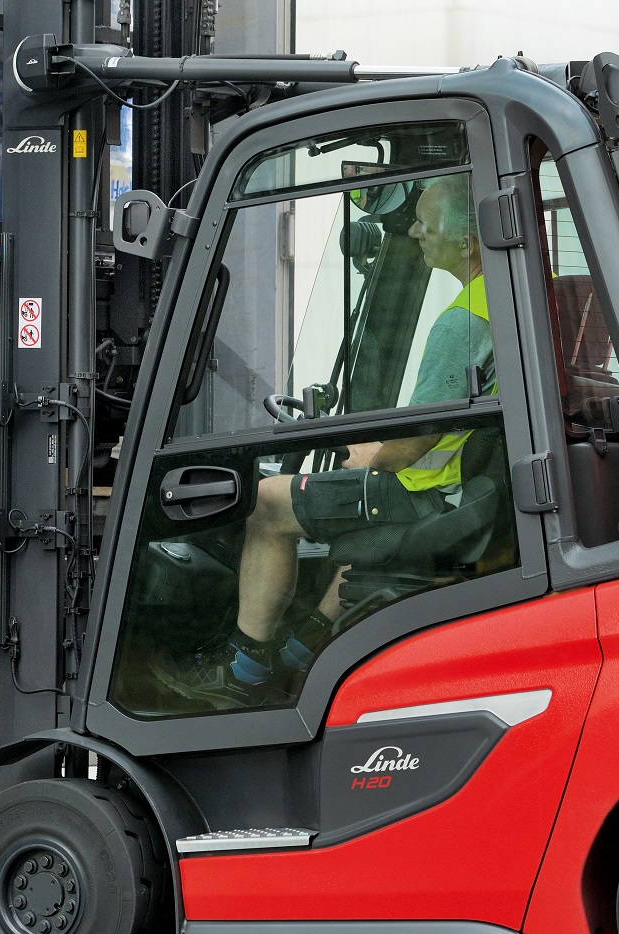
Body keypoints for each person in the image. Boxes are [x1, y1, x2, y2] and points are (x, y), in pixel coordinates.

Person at [163, 171, 496, 707]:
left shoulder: (461, 323)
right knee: (353, 517)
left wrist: (368, 454)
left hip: (428, 491)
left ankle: (241, 672)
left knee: (268, 505)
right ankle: (299, 657)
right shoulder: (502, 300)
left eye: (423, 223)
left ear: (466, 242)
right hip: (460, 491)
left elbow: (411, 443)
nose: (412, 232)